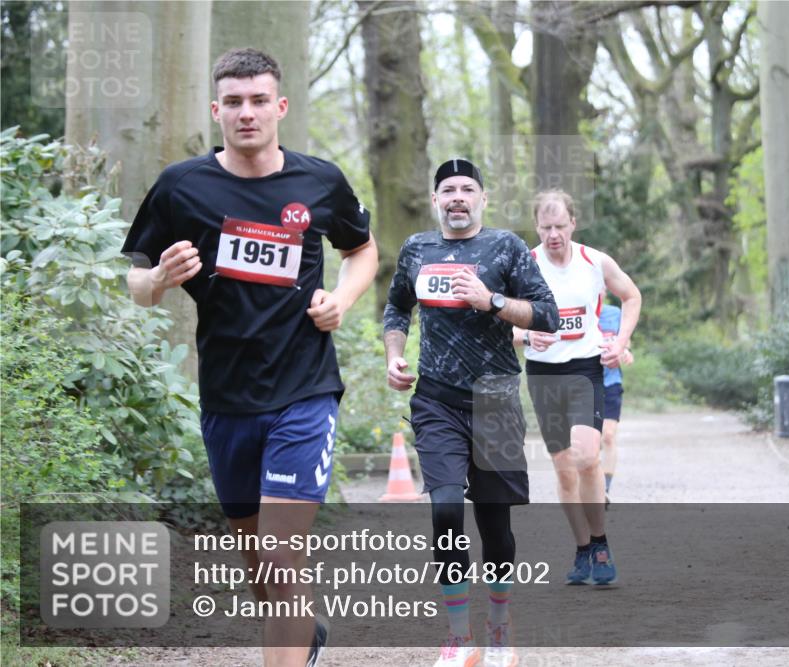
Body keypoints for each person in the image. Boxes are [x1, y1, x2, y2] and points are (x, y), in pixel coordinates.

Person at [122, 48, 377, 667]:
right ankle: (306, 635)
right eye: (233, 102)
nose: (247, 112)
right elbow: (133, 282)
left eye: (259, 100)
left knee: (282, 555)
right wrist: (160, 277)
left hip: (304, 390)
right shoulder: (183, 186)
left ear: (280, 106)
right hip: (228, 398)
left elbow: (362, 250)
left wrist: (341, 301)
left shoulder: (320, 181)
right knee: (261, 569)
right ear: (217, 110)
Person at [383, 158, 558, 667]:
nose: (457, 197)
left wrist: (493, 300)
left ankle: (499, 627)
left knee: (495, 524)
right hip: (436, 400)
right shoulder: (417, 249)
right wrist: (395, 353)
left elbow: (545, 313)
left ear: (482, 198)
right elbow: (397, 308)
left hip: (497, 397)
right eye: (448, 190)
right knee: (444, 510)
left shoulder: (504, 247)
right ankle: (459, 638)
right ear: (435, 199)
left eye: (467, 189)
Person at [513, 189, 641, 586]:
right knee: (564, 468)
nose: (553, 234)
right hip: (544, 374)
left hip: (585, 368)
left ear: (573, 224)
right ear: (537, 226)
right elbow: (501, 319)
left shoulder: (594, 262)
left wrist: (619, 342)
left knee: (588, 456)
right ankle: (583, 548)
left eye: (560, 226)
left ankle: (600, 541)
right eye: (546, 226)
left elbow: (632, 296)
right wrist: (526, 337)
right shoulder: (524, 264)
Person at [597, 299, 634, 509]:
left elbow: (625, 340)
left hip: (611, 381)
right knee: (590, 441)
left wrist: (625, 351)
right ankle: (591, 486)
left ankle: (605, 490)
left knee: (608, 435)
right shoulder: (579, 311)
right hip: (584, 382)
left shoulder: (614, 313)